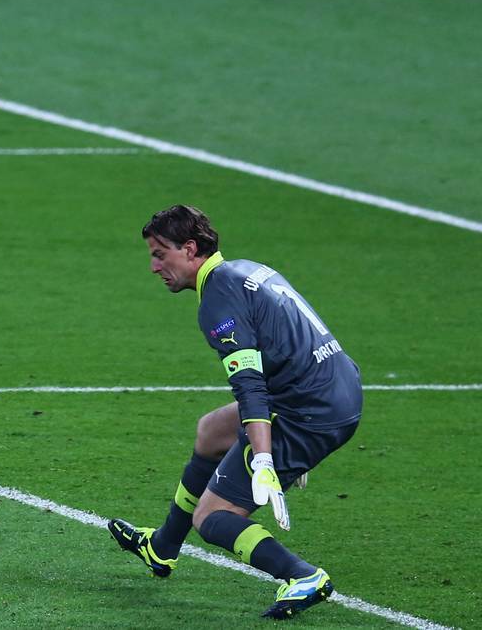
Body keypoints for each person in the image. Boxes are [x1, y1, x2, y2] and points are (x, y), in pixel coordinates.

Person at [108, 205, 361, 620]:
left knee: (212, 516)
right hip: (335, 386)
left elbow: (250, 388)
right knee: (211, 431)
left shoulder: (217, 302)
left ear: (190, 249)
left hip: (309, 409)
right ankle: (163, 547)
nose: (154, 267)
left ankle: (303, 576)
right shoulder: (245, 270)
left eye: (160, 254)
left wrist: (266, 457)